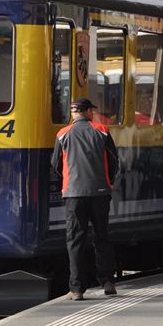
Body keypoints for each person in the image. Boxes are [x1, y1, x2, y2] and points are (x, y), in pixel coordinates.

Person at [51, 98, 120, 301]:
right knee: (102, 237)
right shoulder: (102, 131)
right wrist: (108, 181)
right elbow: (114, 161)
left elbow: (55, 164)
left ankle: (77, 289)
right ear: (89, 111)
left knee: (75, 240)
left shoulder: (62, 134)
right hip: (99, 193)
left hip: (73, 194)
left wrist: (69, 180)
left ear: (74, 113)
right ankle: (107, 282)